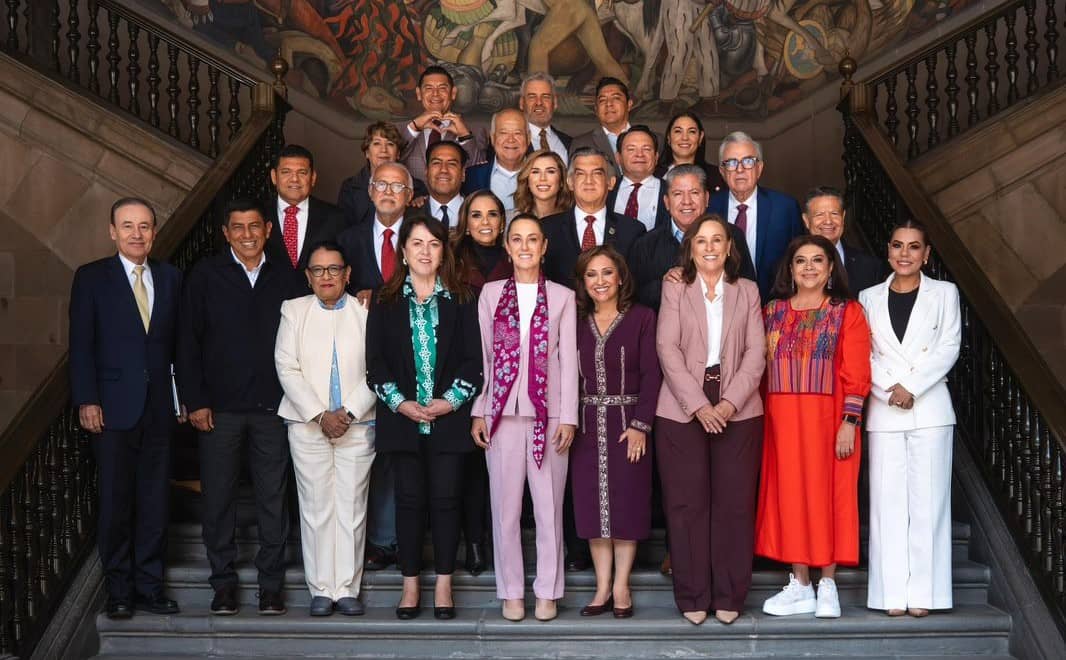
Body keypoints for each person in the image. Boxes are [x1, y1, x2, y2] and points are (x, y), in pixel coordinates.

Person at [177, 198, 301, 617]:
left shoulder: (287, 277)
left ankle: (271, 587)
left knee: (272, 498)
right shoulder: (205, 276)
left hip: (274, 408)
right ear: (225, 233)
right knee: (218, 500)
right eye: (238, 228)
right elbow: (187, 343)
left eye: (254, 226)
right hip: (219, 411)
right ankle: (223, 584)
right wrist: (195, 400)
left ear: (267, 229)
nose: (247, 234)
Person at [69, 197, 182, 620]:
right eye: (128, 226)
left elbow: (179, 345)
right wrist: (87, 398)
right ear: (112, 231)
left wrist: (183, 395)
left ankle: (151, 587)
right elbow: (80, 345)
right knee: (116, 502)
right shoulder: (92, 278)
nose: (137, 234)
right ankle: (119, 589)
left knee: (154, 502)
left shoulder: (171, 278)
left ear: (154, 232)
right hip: (111, 409)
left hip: (158, 410)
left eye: (145, 226)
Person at [367, 216, 484, 620]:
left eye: (433, 244)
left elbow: (475, 362)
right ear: (403, 250)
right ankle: (411, 584)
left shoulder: (463, 299)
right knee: (410, 502)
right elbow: (374, 364)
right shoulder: (384, 301)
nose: (424, 251)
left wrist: (448, 402)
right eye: (417, 243)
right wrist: (400, 402)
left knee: (447, 502)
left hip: (449, 420)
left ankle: (446, 586)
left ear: (442, 252)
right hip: (401, 420)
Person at [654, 214, 766, 625]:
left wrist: (729, 404)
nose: (710, 247)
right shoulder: (675, 287)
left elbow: (757, 353)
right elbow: (667, 348)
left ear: (730, 247)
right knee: (686, 505)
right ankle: (692, 594)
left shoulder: (748, 290)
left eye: (718, 240)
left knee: (734, 506)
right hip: (683, 409)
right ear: (691, 248)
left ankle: (730, 595)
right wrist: (700, 405)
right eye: (701, 241)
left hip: (739, 408)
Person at [756, 235, 872, 620]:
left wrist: (849, 422)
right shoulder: (772, 311)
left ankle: (828, 586)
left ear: (829, 269)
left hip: (828, 421)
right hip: (782, 422)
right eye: (800, 261)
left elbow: (857, 372)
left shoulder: (846, 312)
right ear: (790, 269)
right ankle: (801, 584)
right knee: (788, 497)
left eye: (817, 261)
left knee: (829, 498)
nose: (808, 268)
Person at [471, 214, 579, 622]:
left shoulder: (563, 296)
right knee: (506, 510)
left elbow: (569, 361)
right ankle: (511, 591)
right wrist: (479, 410)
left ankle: (548, 591)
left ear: (544, 246)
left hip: (548, 416)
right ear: (508, 247)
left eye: (533, 239)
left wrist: (568, 417)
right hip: (500, 415)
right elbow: (484, 357)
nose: (525, 246)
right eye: (517, 239)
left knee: (549, 509)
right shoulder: (491, 294)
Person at [860, 220, 961, 618]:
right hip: (884, 409)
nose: (905, 254)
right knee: (886, 505)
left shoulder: (944, 294)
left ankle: (926, 594)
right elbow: (862, 352)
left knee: (929, 503)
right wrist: (889, 389)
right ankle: (889, 596)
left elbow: (949, 344)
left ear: (926, 254)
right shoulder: (868, 297)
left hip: (931, 408)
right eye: (898, 246)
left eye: (914, 247)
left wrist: (912, 386)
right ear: (888, 251)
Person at [274, 242, 377, 617]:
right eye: (318, 270)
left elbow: (376, 368)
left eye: (334, 269)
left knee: (351, 506)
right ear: (308, 277)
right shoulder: (294, 310)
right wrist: (320, 415)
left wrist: (347, 412)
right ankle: (321, 589)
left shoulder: (364, 312)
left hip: (358, 422)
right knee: (315, 507)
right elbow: (286, 366)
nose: (326, 277)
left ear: (347, 274)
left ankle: (346, 588)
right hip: (307, 425)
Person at [570, 246, 661, 619]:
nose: (600, 281)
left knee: (626, 506)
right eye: (592, 275)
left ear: (620, 277)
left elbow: (653, 374)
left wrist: (641, 425)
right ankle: (601, 586)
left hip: (628, 423)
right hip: (587, 425)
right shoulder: (575, 321)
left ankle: (621, 586)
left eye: (607, 273)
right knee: (594, 509)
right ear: (584, 282)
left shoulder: (642, 318)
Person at [336, 161, 416, 571]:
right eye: (381, 184)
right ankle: (381, 541)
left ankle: (407, 539)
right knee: (373, 450)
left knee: (406, 452)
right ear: (369, 192)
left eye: (397, 186)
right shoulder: (346, 239)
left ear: (409, 195)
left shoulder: (423, 237)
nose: (388, 191)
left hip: (415, 356)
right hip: (358, 359)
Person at [451, 190, 513, 575]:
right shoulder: (452, 260)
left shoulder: (518, 255)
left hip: (510, 372)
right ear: (466, 221)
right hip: (464, 369)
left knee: (507, 465)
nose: (485, 221)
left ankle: (505, 542)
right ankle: (474, 543)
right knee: (471, 466)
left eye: (493, 214)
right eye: (477, 215)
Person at [630, 166, 754, 312]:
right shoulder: (646, 244)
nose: (686, 201)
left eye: (694, 193)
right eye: (677, 194)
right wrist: (664, 285)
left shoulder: (732, 235)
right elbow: (634, 300)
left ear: (707, 198)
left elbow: (748, 293)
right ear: (667, 202)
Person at [708, 131, 804, 301]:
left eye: (748, 161)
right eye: (731, 163)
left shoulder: (785, 207)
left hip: (775, 306)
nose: (740, 169)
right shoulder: (709, 207)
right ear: (722, 171)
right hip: (720, 306)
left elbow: (800, 260)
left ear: (759, 168)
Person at [542, 147, 646, 287]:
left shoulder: (633, 230)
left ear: (611, 182)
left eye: (597, 174)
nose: (588, 181)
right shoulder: (546, 229)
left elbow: (635, 283)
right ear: (570, 183)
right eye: (580, 174)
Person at [265, 144, 346, 272]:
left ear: (313, 178)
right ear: (274, 177)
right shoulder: (258, 216)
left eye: (302, 173)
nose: (294, 179)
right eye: (286, 172)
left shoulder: (336, 218)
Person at [397, 65, 481, 183]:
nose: (435, 94)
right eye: (429, 88)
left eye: (442, 88)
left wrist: (464, 136)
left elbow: (479, 174)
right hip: (413, 200)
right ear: (419, 93)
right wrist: (414, 128)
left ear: (453, 93)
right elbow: (391, 163)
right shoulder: (403, 130)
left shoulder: (473, 131)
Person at [336, 122, 428, 228]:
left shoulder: (417, 187)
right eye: (377, 143)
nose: (384, 150)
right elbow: (343, 231)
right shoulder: (350, 187)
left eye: (390, 144)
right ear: (367, 152)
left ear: (398, 154)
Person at [802, 186, 884, 295]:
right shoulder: (789, 267)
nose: (828, 221)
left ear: (843, 217)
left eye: (834, 214)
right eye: (820, 214)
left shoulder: (870, 266)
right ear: (806, 220)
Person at [462, 108, 530, 212]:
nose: (511, 139)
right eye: (503, 133)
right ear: (493, 138)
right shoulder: (472, 176)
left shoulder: (541, 176)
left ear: (528, 138)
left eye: (517, 133)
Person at [606, 126, 670, 232]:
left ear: (656, 157)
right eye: (631, 149)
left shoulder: (671, 191)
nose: (639, 154)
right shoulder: (606, 190)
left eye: (646, 149)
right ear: (618, 157)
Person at [569, 77, 633, 177]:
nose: (609, 104)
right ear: (596, 109)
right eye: (602, 100)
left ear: (629, 105)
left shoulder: (653, 140)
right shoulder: (581, 143)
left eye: (616, 98)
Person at [654, 111, 725, 194]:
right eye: (678, 131)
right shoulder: (654, 174)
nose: (685, 138)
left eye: (692, 131)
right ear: (669, 137)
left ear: (700, 137)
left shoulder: (717, 176)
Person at [520, 72, 572, 164]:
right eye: (532, 97)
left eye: (545, 97)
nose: (539, 103)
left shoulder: (569, 143)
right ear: (521, 103)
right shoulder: (510, 142)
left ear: (555, 103)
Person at [513, 150, 573, 219]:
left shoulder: (574, 220)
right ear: (527, 180)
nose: (543, 178)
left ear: (562, 180)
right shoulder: (511, 218)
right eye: (535, 172)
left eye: (550, 171)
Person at [423, 140, 467, 230]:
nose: (443, 170)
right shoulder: (409, 214)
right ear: (426, 171)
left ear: (463, 173)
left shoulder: (475, 211)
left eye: (452, 164)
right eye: (436, 163)